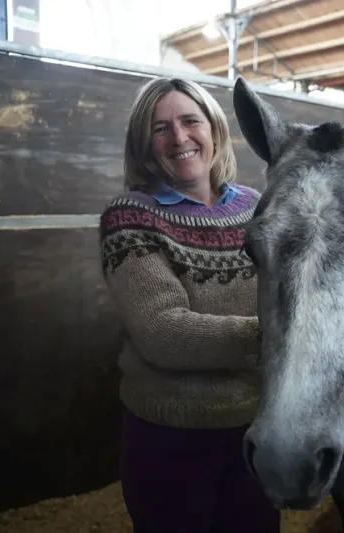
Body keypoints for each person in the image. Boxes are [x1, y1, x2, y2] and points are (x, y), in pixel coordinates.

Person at [99, 77, 279, 533]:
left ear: (214, 129)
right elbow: (163, 332)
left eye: (189, 121)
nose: (179, 138)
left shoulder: (258, 207)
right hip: (172, 438)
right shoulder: (129, 217)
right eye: (160, 128)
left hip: (258, 430)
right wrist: (283, 336)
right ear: (143, 145)